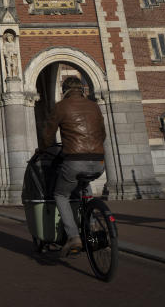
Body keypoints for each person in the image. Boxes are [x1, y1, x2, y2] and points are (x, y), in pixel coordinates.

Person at [39, 76, 106, 257]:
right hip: (99, 161)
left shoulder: (61, 106)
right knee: (85, 185)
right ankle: (91, 226)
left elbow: (48, 134)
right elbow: (103, 133)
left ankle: (74, 237)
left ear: (65, 90)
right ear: (82, 90)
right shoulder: (94, 106)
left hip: (74, 159)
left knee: (61, 194)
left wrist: (43, 149)